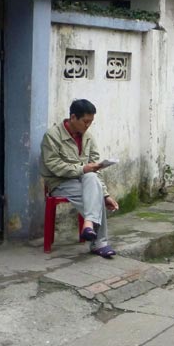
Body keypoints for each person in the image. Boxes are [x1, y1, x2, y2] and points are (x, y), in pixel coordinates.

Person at [40, 99, 119, 258]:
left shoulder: (88, 137)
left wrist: (106, 194)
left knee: (91, 178)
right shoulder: (52, 136)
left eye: (91, 122)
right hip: (60, 182)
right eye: (85, 121)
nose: (88, 125)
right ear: (73, 117)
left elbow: (94, 170)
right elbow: (53, 165)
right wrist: (83, 169)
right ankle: (100, 243)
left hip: (86, 181)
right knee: (93, 195)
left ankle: (88, 224)